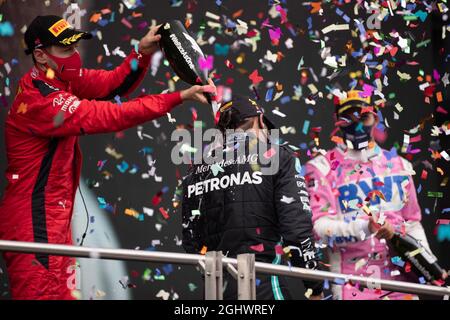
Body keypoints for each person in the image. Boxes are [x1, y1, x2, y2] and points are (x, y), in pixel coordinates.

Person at [0, 15, 215, 300]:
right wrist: (178, 97)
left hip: (55, 219)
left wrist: (142, 51)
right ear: (40, 55)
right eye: (65, 50)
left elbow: (113, 85)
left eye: (74, 47)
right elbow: (112, 115)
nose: (74, 56)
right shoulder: (39, 101)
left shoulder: (61, 81)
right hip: (33, 222)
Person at [304, 89, 445, 300]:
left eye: (363, 116)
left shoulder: (400, 165)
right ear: (337, 120)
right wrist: (365, 227)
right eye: (348, 117)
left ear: (375, 117)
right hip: (352, 287)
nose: (356, 122)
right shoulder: (321, 167)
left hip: (403, 288)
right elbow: (320, 229)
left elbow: (413, 222)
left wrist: (428, 263)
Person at [181, 95, 323, 300]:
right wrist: (314, 286)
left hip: (215, 291)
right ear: (260, 120)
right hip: (263, 287)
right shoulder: (278, 156)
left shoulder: (195, 171)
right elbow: (296, 229)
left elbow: (190, 242)